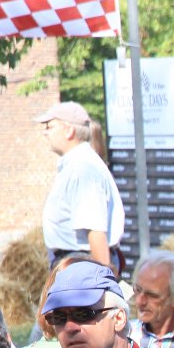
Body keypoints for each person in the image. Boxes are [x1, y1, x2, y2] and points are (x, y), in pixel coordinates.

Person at [36, 102, 123, 269]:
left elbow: (95, 230)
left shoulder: (82, 169)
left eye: (50, 126)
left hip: (83, 263)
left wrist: (101, 277)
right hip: (77, 262)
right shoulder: (76, 165)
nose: (45, 133)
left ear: (69, 131)